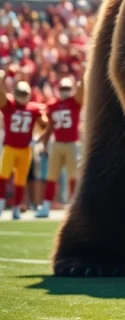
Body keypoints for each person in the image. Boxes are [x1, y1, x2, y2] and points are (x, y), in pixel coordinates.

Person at [0, 74, 50, 220]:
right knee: (3, 176)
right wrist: (3, 78)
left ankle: (16, 208)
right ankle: (2, 204)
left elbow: (44, 124)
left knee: (20, 181)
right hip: (10, 147)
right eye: (20, 93)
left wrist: (39, 133)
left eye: (24, 93)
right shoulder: (9, 105)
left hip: (25, 149)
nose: (22, 96)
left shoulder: (33, 109)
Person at [36, 77, 84, 218]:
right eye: (63, 88)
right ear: (58, 89)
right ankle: (46, 205)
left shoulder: (74, 102)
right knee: (51, 176)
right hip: (57, 144)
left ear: (71, 89)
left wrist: (81, 79)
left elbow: (82, 91)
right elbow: (50, 127)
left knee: (73, 176)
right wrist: (44, 144)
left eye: (67, 89)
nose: (64, 91)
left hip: (72, 144)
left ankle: (75, 207)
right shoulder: (53, 104)